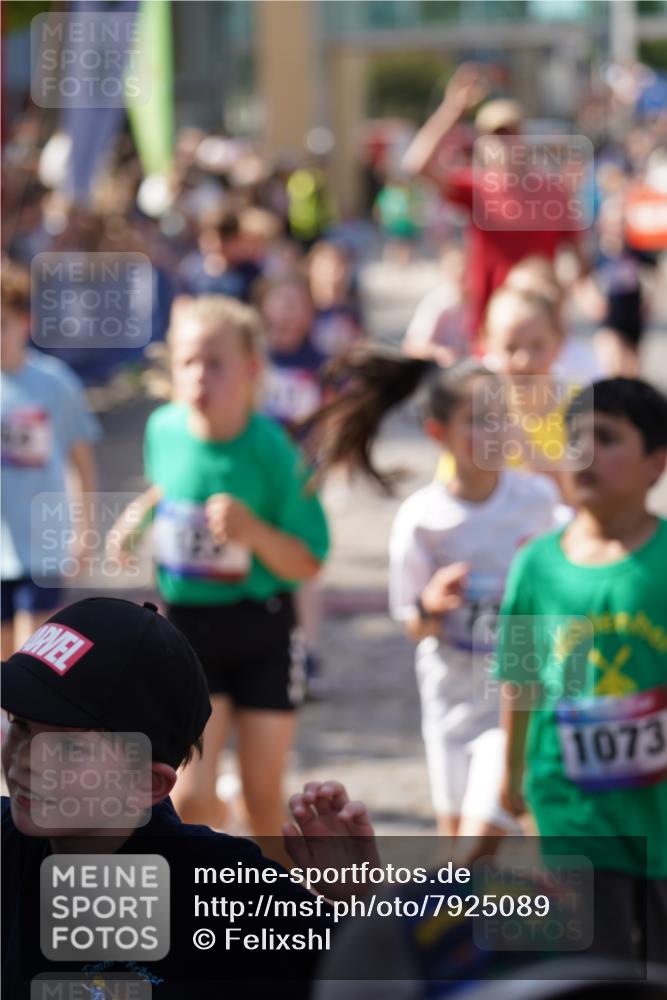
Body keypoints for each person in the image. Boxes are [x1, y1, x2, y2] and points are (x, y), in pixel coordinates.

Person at [1, 597, 377, 999]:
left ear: (149, 783)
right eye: (21, 725)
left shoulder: (225, 891)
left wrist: (360, 899)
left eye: (69, 748)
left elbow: (380, 978)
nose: (26, 759)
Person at [108, 296, 329, 842]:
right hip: (186, 632)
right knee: (187, 800)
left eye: (215, 362)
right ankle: (207, 883)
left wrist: (252, 531)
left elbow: (309, 558)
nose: (199, 376)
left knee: (263, 799)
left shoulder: (273, 448)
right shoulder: (163, 428)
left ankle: (281, 894)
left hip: (262, 627)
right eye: (187, 361)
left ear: (251, 369)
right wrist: (138, 517)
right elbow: (167, 486)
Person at [496, 377, 667, 962]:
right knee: (595, 969)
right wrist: (513, 773)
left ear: (656, 464)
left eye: (608, 438)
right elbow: (520, 675)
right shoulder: (535, 564)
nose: (585, 453)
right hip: (569, 805)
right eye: (575, 439)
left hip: (659, 813)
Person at [389, 360, 557, 850]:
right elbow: (412, 622)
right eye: (479, 420)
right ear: (438, 432)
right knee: (456, 850)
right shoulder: (422, 518)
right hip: (450, 702)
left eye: (502, 417)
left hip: (514, 706)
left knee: (474, 849)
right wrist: (431, 605)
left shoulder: (539, 502)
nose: (496, 431)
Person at [402, 63, 589, 339]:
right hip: (489, 328)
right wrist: (453, 109)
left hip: (541, 331)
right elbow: (415, 165)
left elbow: (578, 257)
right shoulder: (475, 188)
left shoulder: (554, 192)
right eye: (494, 137)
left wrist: (572, 293)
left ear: (523, 139)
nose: (503, 144)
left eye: (509, 134)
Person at [1, 258, 100, 658]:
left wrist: (84, 530)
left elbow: (82, 462)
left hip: (44, 543)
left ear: (25, 323)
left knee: (34, 656)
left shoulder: (55, 382)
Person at [402, 243, 472, 367]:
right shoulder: (437, 302)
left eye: (464, 265)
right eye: (454, 266)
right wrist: (438, 352)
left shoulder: (473, 302)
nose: (460, 270)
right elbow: (413, 345)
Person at [307, 241, 363, 359]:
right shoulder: (302, 308)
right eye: (326, 265)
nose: (333, 271)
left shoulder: (354, 309)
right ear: (311, 268)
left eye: (340, 264)